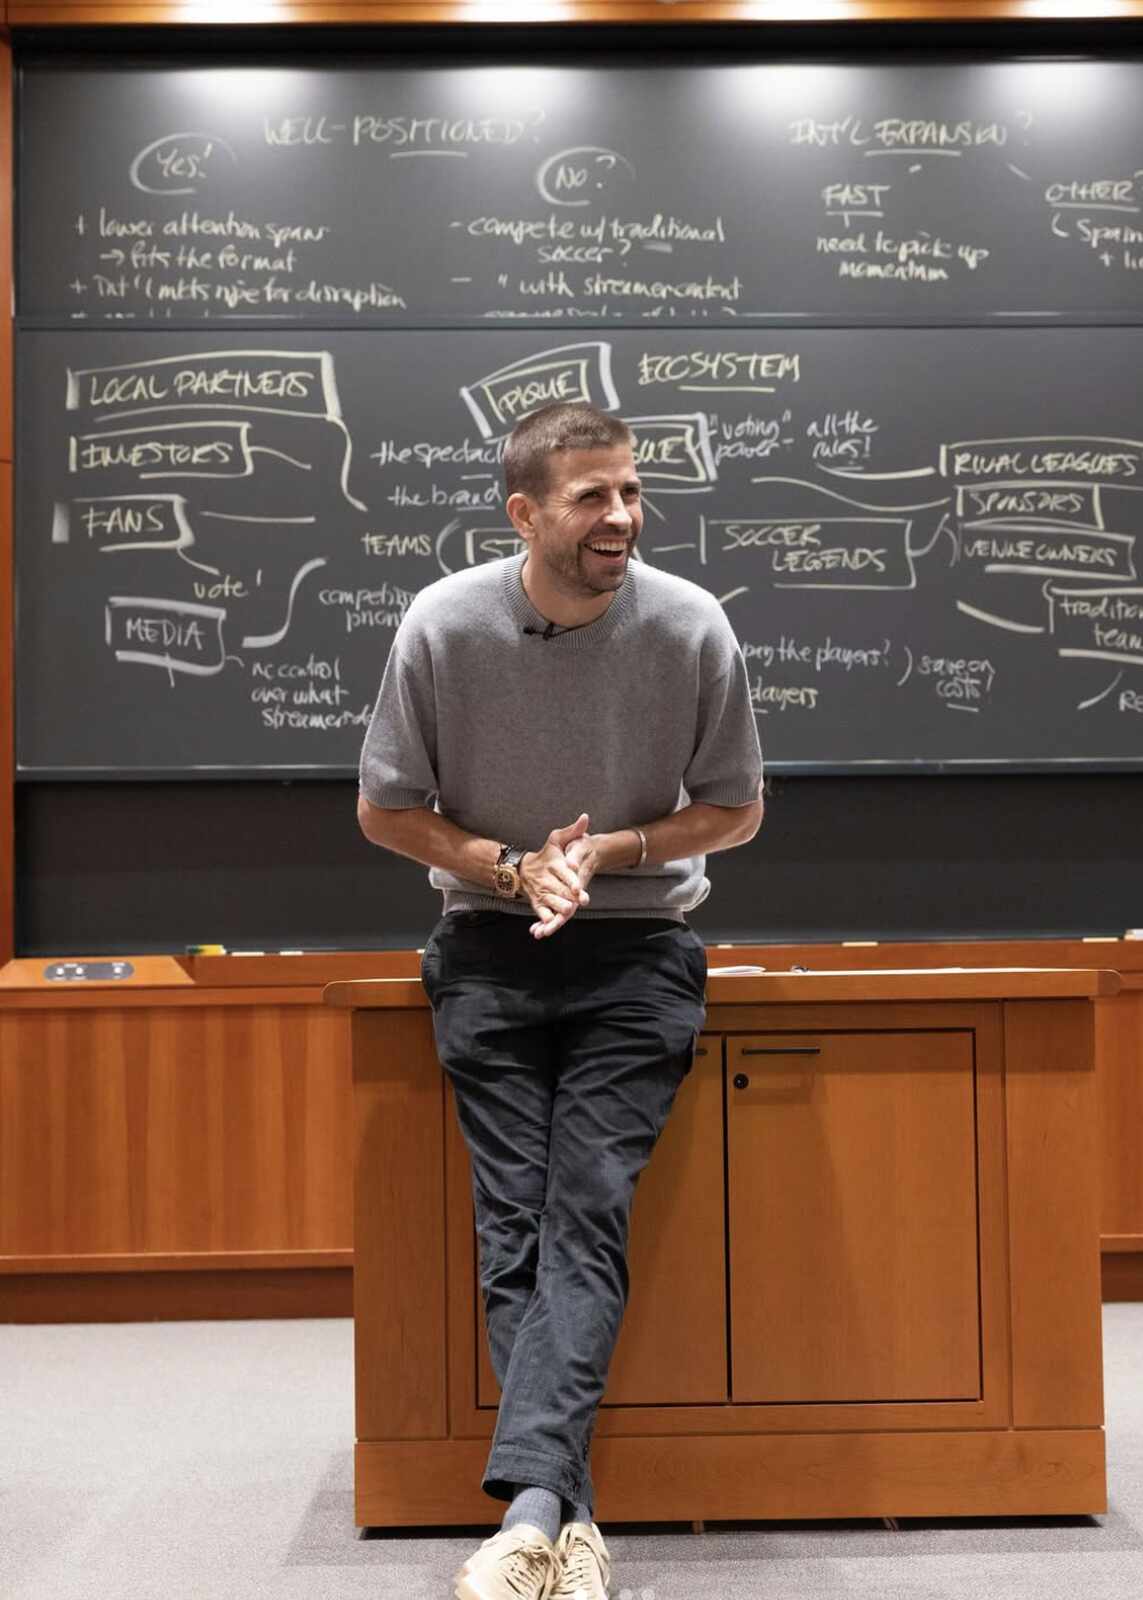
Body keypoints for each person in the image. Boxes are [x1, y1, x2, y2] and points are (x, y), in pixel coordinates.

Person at [357, 401, 763, 1600]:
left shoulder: (691, 626)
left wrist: (617, 850)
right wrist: (506, 864)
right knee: (516, 1220)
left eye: (631, 492)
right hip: (486, 945)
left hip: (639, 955)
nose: (622, 518)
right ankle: (566, 1520)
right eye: (592, 497)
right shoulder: (444, 624)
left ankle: (530, 1512)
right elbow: (387, 806)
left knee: (581, 1206)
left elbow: (734, 805)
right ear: (523, 513)